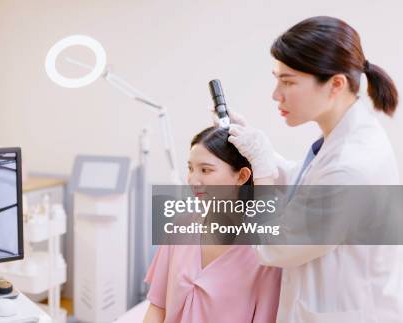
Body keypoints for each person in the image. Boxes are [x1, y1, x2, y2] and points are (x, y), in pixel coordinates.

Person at [227, 16, 403, 322]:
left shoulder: (351, 167)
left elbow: (274, 246)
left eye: (289, 81)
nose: (275, 94)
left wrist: (263, 170)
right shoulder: (343, 139)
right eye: (276, 78)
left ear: (336, 84)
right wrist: (260, 150)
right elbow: (307, 188)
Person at [143, 127, 281, 323]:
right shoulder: (180, 228)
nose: (193, 180)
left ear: (241, 176)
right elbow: (157, 308)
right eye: (190, 168)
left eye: (205, 170)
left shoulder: (264, 250)